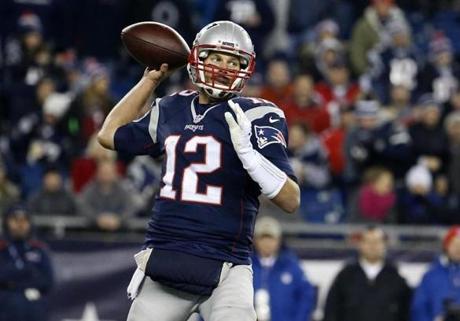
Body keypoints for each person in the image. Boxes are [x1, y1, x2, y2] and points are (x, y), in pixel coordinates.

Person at [97, 20, 300, 321]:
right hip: (167, 259)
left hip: (227, 267)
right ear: (196, 59)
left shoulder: (256, 115)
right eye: (216, 57)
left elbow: (291, 200)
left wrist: (250, 157)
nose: (223, 67)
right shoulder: (171, 108)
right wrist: (150, 81)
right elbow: (109, 134)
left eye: (234, 61)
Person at [323, 226, 411, 321]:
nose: (372, 246)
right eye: (368, 241)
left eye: (377, 242)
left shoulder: (396, 277)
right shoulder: (346, 276)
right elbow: (331, 310)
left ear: (384, 245)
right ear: (360, 244)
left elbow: (406, 312)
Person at [252, 216, 315, 321]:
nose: (267, 243)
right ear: (255, 240)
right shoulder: (247, 265)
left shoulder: (291, 265)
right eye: (263, 238)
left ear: (279, 240)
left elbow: (306, 296)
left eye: (271, 238)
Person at [0, 205, 54, 321]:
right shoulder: (1, 248)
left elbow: (48, 281)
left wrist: (13, 281)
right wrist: (28, 272)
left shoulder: (39, 249)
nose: (20, 225)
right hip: (6, 310)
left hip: (34, 311)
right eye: (15, 220)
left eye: (24, 220)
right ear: (6, 222)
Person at [411, 226, 460, 321]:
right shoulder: (430, 276)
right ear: (446, 246)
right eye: (454, 244)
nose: (458, 248)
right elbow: (419, 308)